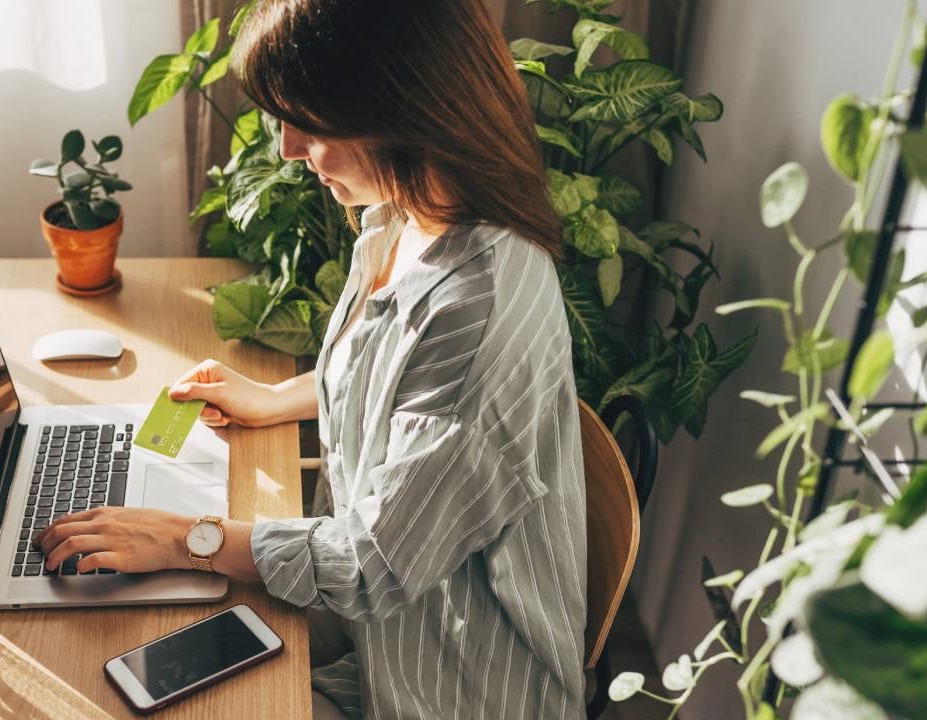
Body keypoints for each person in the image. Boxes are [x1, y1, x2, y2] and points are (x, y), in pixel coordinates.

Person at [34, 0, 587, 717]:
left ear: (404, 112)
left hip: (444, 687)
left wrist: (185, 538)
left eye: (312, 124)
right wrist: (283, 397)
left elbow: (372, 563)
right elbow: (397, 379)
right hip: (371, 635)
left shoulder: (475, 311)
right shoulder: (408, 215)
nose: (290, 148)